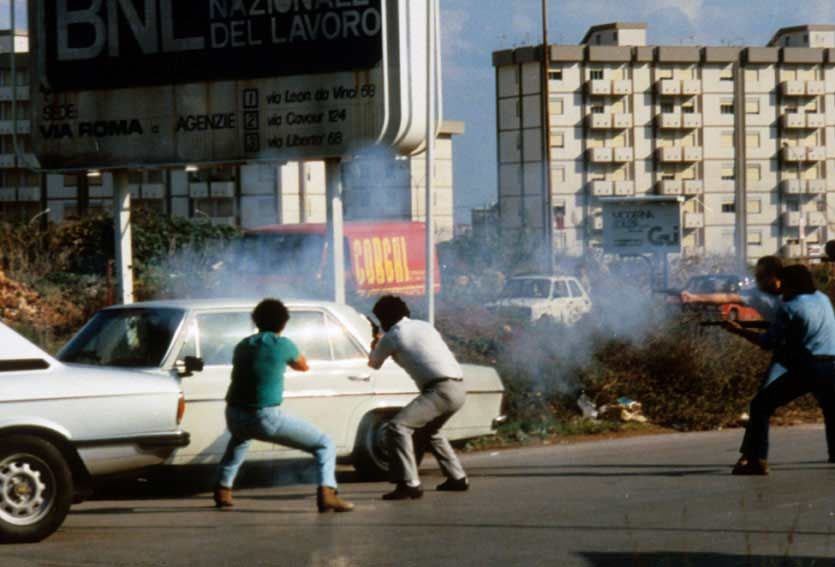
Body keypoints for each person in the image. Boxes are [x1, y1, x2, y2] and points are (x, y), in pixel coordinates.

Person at [213, 299, 354, 513]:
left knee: (240, 440)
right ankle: (328, 493)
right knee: (324, 444)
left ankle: (223, 489)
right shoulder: (283, 344)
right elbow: (302, 366)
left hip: (234, 414)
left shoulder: (242, 345)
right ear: (283, 323)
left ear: (256, 321)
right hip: (263, 416)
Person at [724, 265, 835, 474]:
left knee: (760, 406)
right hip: (832, 364)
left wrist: (740, 331)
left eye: (783, 283)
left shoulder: (789, 307)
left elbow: (768, 342)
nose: (780, 287)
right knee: (831, 408)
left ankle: (757, 459)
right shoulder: (822, 299)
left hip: (809, 366)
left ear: (791, 284)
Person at [368, 296, 469, 500]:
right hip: (458, 388)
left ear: (384, 318)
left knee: (398, 427)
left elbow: (374, 363)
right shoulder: (425, 326)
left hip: (439, 390)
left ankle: (409, 483)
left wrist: (376, 341)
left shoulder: (393, 335)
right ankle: (457, 478)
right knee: (430, 431)